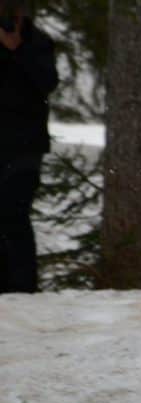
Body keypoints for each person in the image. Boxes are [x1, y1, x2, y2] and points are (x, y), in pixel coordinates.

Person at [0, 0, 57, 293]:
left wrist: (18, 50)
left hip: (24, 146)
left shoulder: (38, 42)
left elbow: (47, 82)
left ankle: (23, 288)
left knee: (14, 214)